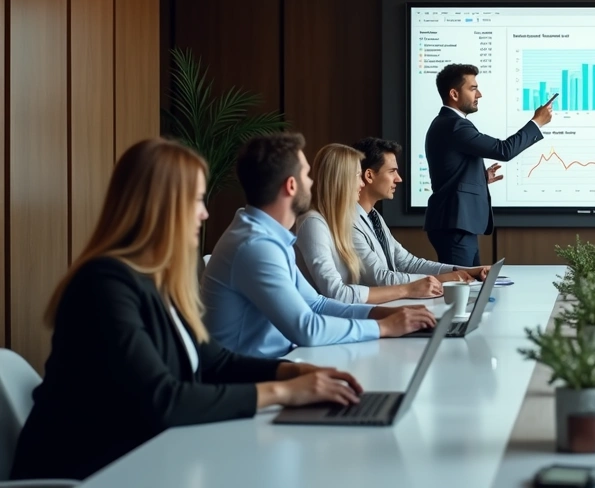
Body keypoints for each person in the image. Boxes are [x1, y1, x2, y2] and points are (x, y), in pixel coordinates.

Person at [11, 139, 363, 481]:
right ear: (161, 206)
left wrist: (292, 373)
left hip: (147, 456)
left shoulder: (156, 280)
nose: (205, 213)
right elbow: (164, 399)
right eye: (196, 199)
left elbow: (216, 362)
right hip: (96, 470)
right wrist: (286, 393)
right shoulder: (104, 284)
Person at [202, 133, 436, 358]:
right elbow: (307, 328)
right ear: (291, 186)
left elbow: (316, 302)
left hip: (282, 361)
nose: (312, 181)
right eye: (306, 174)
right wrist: (383, 327)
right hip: (251, 378)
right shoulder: (255, 246)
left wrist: (381, 313)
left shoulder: (267, 236)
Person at [424, 63, 552, 265]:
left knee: (471, 289)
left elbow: (450, 173)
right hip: (455, 225)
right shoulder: (455, 125)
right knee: (462, 291)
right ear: (454, 94)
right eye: (473, 88)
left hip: (458, 224)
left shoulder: (446, 123)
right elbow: (504, 150)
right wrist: (536, 122)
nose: (479, 94)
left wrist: (479, 178)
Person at [350, 137, 488, 292]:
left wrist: (465, 270)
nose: (399, 178)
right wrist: (443, 279)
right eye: (392, 171)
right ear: (369, 176)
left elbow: (409, 263)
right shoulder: (349, 222)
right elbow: (380, 278)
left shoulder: (374, 217)